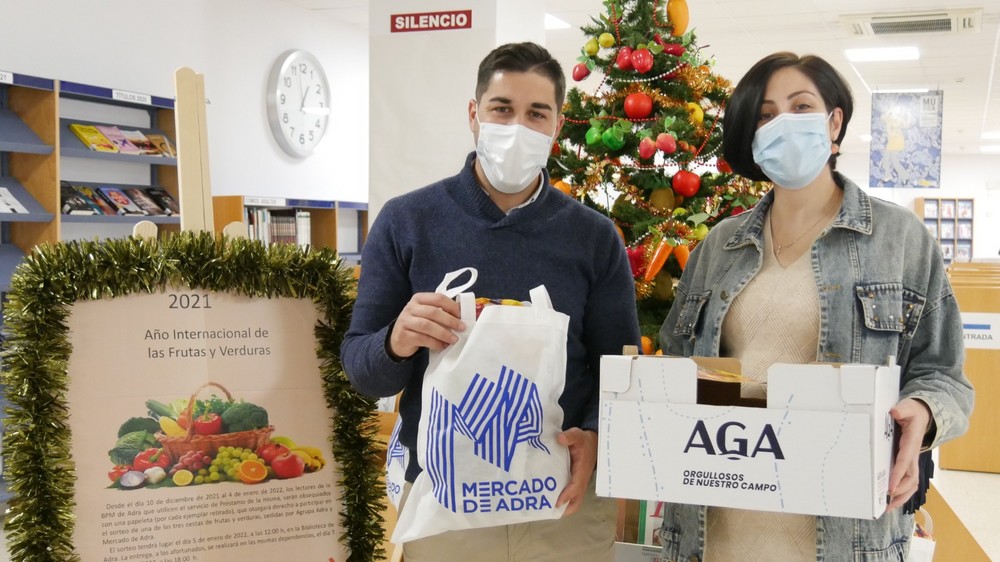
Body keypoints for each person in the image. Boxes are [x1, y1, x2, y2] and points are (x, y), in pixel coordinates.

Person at [657, 52, 973, 562]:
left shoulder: (900, 240)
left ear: (834, 122)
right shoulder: (720, 246)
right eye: (765, 114)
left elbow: (945, 377)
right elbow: (677, 363)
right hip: (716, 526)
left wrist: (922, 412)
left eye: (801, 106)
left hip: (843, 537)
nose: (783, 123)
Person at [341, 42, 641, 561]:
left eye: (536, 114)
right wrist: (396, 341)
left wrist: (594, 434)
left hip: (561, 503)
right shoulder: (407, 221)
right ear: (473, 114)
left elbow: (620, 366)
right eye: (502, 109)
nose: (517, 127)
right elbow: (361, 370)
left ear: (557, 126)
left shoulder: (593, 237)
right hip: (445, 503)